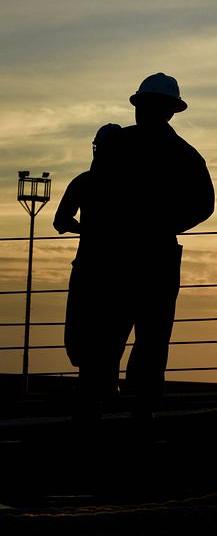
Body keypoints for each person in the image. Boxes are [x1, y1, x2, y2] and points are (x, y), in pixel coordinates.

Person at [88, 73, 215, 418]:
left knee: (107, 329)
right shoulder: (185, 155)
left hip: (114, 253)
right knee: (153, 335)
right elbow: (204, 205)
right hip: (157, 253)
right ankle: (144, 407)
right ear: (172, 111)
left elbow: (94, 193)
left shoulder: (115, 146)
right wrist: (167, 225)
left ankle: (96, 402)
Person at [53, 123, 121, 418]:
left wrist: (85, 230)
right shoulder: (131, 184)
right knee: (111, 326)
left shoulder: (84, 182)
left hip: (89, 264)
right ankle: (106, 383)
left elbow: (60, 220)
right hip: (118, 266)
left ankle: (90, 384)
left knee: (84, 324)